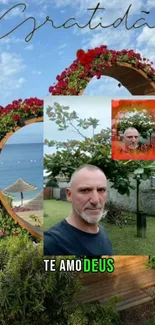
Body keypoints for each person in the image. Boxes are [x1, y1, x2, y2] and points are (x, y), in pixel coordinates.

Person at [44, 164, 113, 256]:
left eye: (101, 190)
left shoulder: (102, 231)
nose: (95, 200)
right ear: (69, 195)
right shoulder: (50, 244)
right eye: (85, 190)